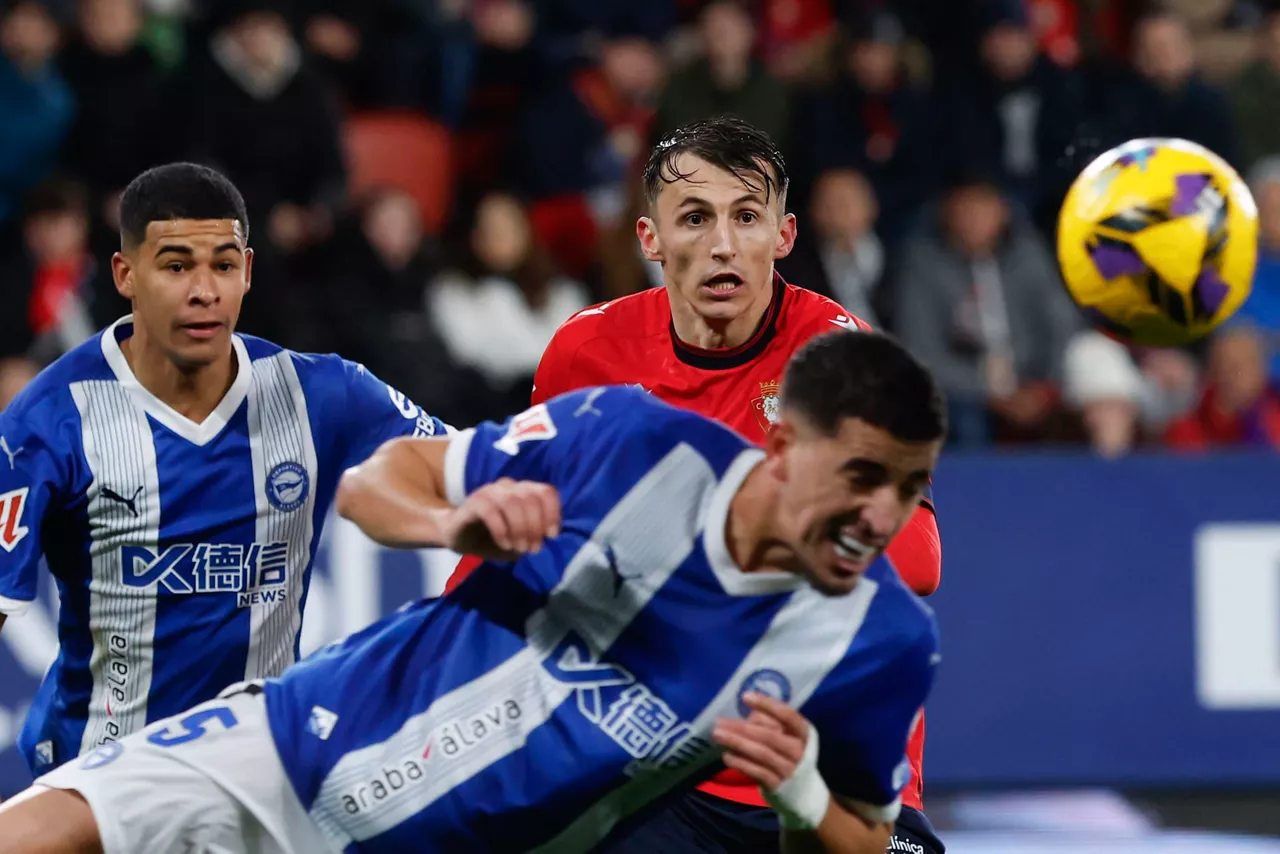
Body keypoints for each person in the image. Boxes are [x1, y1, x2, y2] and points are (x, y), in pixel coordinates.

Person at [0, 329, 945, 854]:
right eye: (861, 477)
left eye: (909, 488)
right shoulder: (635, 443)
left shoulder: (880, 642)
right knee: (45, 830)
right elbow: (376, 481)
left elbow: (866, 840)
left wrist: (801, 796)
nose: (881, 515)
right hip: (308, 739)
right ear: (783, 447)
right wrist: (453, 526)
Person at [446, 115, 945, 854]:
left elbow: (918, 559)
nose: (722, 244)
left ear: (783, 235)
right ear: (650, 239)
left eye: (746, 216)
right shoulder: (587, 353)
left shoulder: (848, 362)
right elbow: (502, 543)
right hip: (658, 770)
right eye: (695, 218)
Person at [0, 162, 447, 777]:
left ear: (249, 272)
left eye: (224, 265)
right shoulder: (47, 420)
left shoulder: (322, 394)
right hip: (97, 779)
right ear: (125, 275)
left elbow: (478, 466)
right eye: (176, 266)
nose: (204, 291)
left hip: (258, 773)